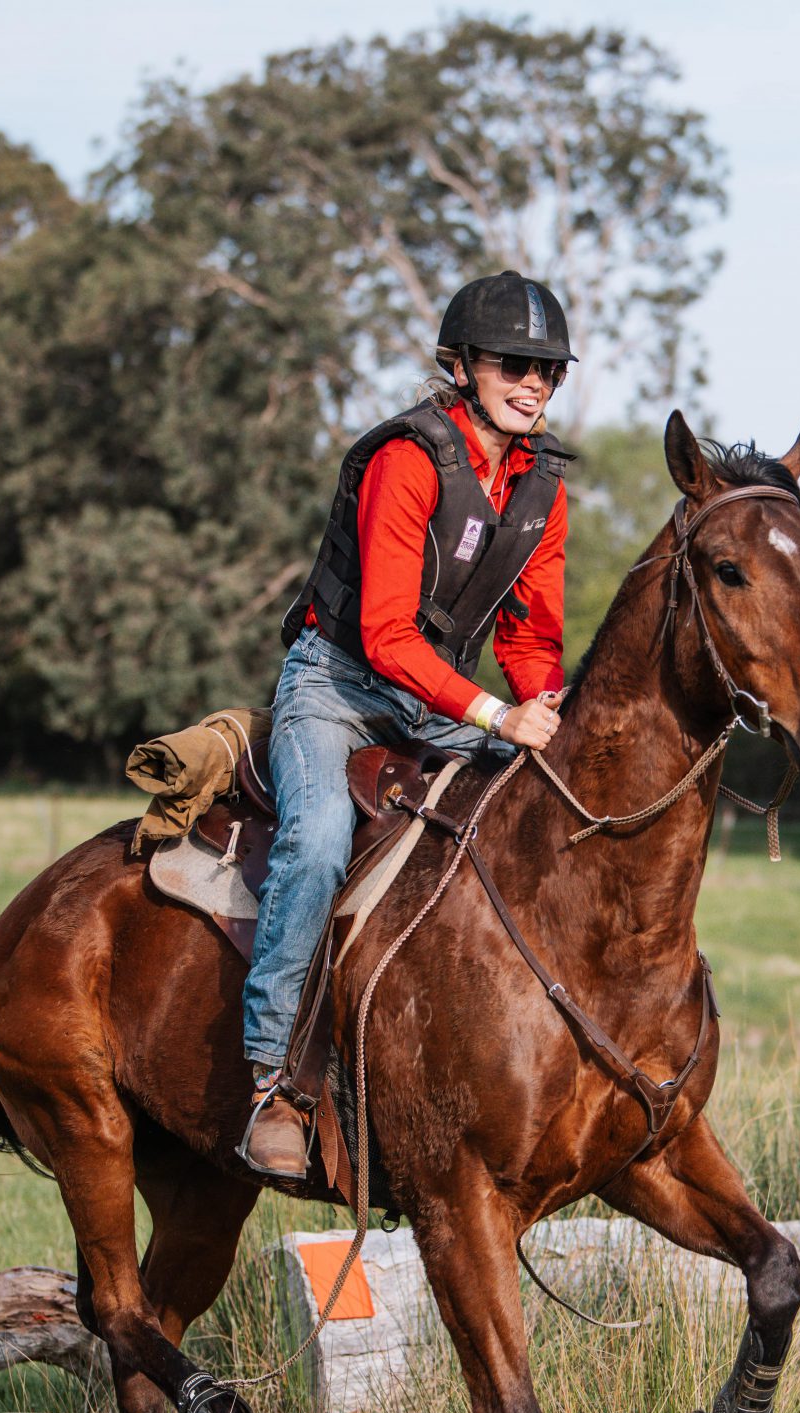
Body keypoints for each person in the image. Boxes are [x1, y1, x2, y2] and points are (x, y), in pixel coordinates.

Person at [238, 271, 578, 1176]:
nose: (535, 382)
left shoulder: (544, 486)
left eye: (549, 369)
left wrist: (541, 702)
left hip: (437, 701)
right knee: (314, 845)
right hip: (338, 687)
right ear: (462, 364)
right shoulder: (409, 459)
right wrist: (497, 713)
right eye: (516, 363)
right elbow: (387, 633)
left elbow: (529, 631)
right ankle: (273, 1078)